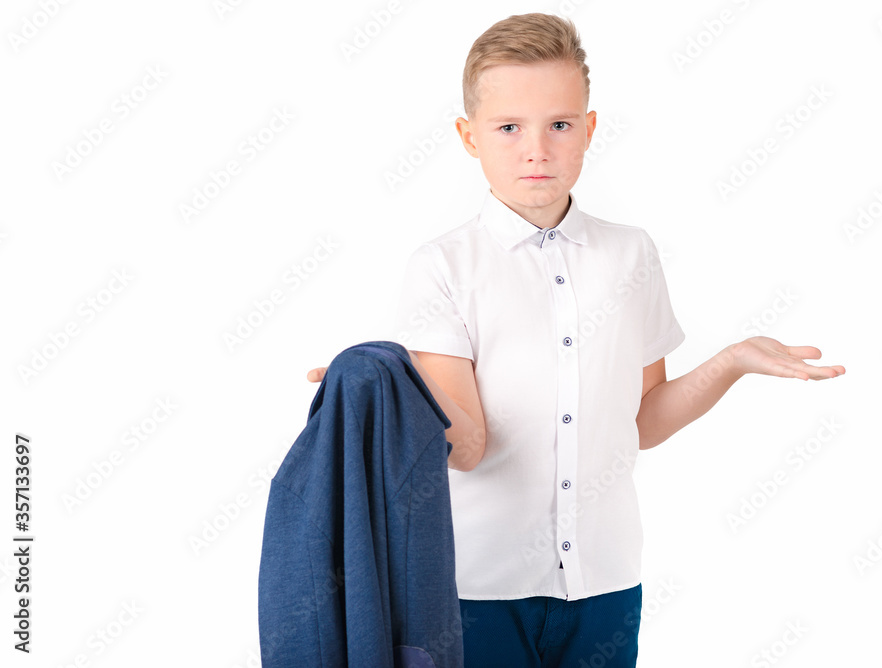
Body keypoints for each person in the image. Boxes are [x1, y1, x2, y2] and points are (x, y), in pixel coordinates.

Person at [306, 12, 845, 667]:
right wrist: (381, 389)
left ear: (588, 130)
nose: (536, 149)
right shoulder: (444, 267)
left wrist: (731, 362)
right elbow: (469, 446)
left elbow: (644, 420)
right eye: (509, 128)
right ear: (468, 136)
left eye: (559, 124)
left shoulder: (630, 255)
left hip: (607, 584)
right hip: (478, 591)